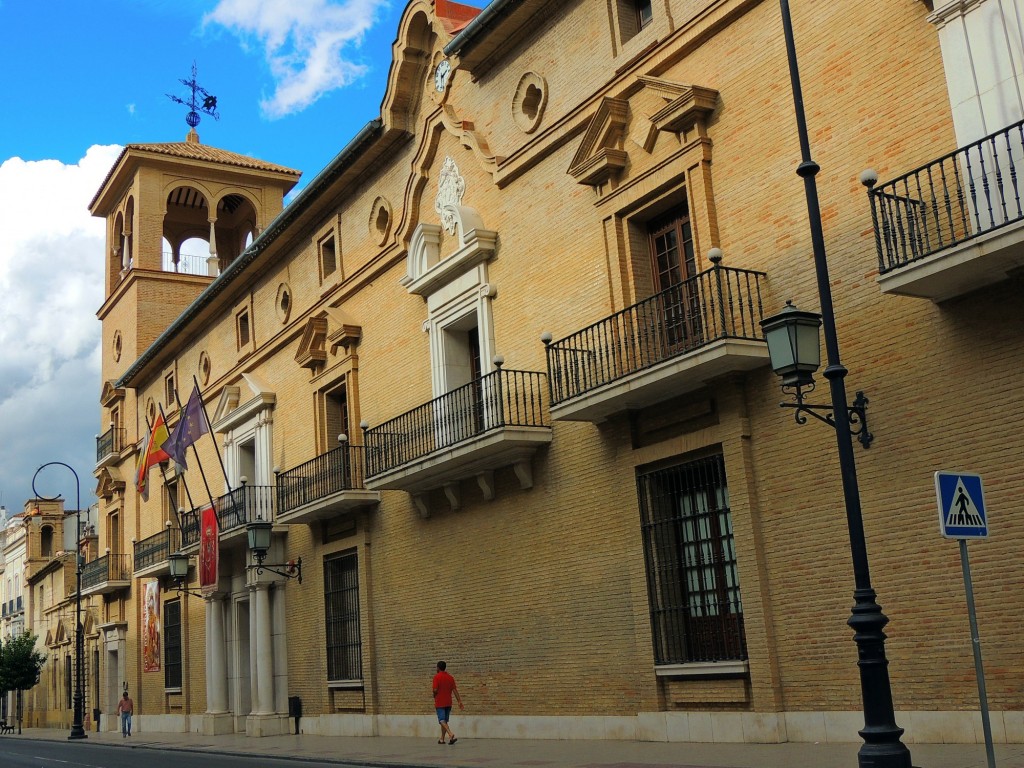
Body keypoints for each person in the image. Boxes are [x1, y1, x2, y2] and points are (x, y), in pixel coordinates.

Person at [432, 660, 463, 745]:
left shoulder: (436, 677)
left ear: (438, 668)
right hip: (448, 702)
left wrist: (434, 694)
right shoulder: (450, 677)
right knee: (445, 721)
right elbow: (455, 690)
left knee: (442, 720)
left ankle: (450, 734)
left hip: (440, 702)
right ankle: (442, 739)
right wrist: (459, 701)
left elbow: (435, 689)